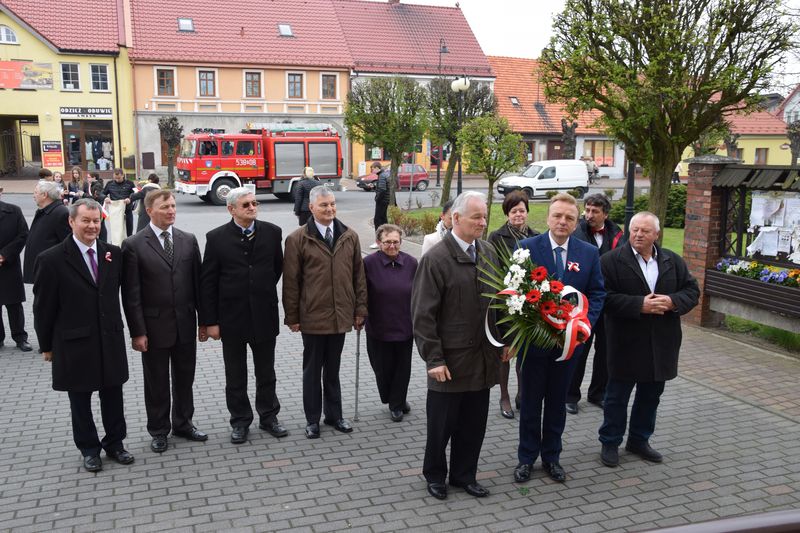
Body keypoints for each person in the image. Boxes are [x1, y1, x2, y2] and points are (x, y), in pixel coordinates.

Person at [412, 191, 506, 501]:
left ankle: (464, 475)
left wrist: (506, 340)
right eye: (476, 217)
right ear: (456, 219)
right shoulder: (435, 259)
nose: (483, 222)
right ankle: (435, 475)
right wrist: (433, 359)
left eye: (484, 216)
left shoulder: (489, 252)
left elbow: (500, 303)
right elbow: (423, 316)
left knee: (473, 424)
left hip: (481, 360)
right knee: (441, 427)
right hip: (449, 363)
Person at [33, 199, 134, 473]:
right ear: (71, 222)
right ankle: (89, 449)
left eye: (96, 221)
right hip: (74, 343)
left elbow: (125, 297)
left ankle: (115, 444)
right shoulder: (51, 259)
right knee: (80, 400)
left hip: (110, 339)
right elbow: (43, 308)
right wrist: (46, 346)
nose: (91, 226)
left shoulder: (113, 254)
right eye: (85, 221)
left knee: (113, 395)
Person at [513, 193, 606, 484]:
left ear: (576, 220)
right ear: (548, 217)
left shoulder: (588, 253)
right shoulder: (527, 248)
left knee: (556, 404)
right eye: (557, 216)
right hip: (535, 345)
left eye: (569, 217)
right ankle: (526, 458)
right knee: (530, 404)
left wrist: (583, 325)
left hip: (569, 347)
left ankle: (552, 457)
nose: (562, 222)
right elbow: (515, 291)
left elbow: (598, 293)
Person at [598, 212, 699, 468]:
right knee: (616, 397)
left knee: (650, 395)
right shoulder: (610, 261)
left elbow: (692, 291)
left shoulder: (671, 261)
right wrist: (638, 305)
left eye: (645, 231)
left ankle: (639, 440)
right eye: (635, 230)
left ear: (656, 234)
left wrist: (673, 301)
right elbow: (603, 298)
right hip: (625, 341)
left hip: (661, 342)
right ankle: (610, 442)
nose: (639, 235)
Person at [200, 188, 288, 445]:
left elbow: (276, 268)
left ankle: (269, 416)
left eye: (254, 202)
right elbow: (208, 283)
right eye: (246, 204)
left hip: (264, 315)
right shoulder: (215, 238)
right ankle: (240, 421)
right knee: (235, 375)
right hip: (231, 319)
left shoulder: (272, 233)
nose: (252, 207)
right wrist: (210, 321)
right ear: (232, 209)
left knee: (266, 372)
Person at [122, 190, 207, 454]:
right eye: (165, 206)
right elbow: (131, 294)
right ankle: (159, 430)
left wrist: (203, 322)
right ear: (149, 210)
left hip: (184, 324)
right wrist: (138, 332)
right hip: (154, 328)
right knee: (156, 382)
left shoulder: (188, 240)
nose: (171, 210)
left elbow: (198, 285)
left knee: (184, 379)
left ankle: (183, 423)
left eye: (173, 206)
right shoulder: (134, 245)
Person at [283, 186, 367, 439]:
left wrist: (360, 309)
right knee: (312, 371)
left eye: (332, 204)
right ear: (311, 208)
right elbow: (291, 282)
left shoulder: (349, 236)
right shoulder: (297, 239)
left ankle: (335, 415)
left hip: (341, 315)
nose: (329, 209)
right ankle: (312, 420)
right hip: (312, 317)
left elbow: (358, 276)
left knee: (333, 370)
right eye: (324, 205)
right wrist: (293, 317)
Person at [565, 193, 624, 415]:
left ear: (605, 214)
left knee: (606, 351)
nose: (589, 215)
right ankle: (570, 395)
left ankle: (598, 393)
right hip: (582, 303)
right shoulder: (577, 232)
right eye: (587, 210)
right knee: (578, 348)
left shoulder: (616, 234)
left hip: (607, 303)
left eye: (594, 211)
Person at [488, 190, 540, 419]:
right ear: (507, 213)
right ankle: (504, 396)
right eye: (514, 211)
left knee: (526, 352)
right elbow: (491, 270)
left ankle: (522, 393)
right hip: (505, 304)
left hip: (530, 304)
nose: (519, 215)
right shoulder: (496, 237)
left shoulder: (536, 236)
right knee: (506, 352)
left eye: (522, 210)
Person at [363, 224, 418, 422]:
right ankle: (392, 397)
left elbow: (420, 293)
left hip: (405, 325)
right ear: (378, 243)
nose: (392, 246)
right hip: (379, 326)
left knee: (403, 368)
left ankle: (397, 403)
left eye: (396, 242)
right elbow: (361, 292)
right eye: (387, 242)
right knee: (382, 368)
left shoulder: (412, 263)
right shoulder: (368, 263)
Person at [0, 186, 31, 352]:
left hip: (9, 265)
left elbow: (23, 234)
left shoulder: (13, 211)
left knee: (14, 304)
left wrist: (4, 255)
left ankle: (20, 337)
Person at [23, 180, 71, 284]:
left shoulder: (60, 213)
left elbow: (68, 245)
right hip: (43, 269)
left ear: (45, 195)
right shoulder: (44, 210)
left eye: (35, 192)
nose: (33, 195)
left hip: (51, 271)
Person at [103, 168, 136, 240]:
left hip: (127, 210)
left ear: (123, 175)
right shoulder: (110, 184)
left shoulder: (130, 183)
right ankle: (116, 245)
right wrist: (105, 198)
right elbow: (102, 193)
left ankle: (129, 246)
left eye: (119, 178)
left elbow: (135, 193)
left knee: (129, 230)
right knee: (116, 231)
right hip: (115, 212)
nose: (117, 180)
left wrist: (130, 199)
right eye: (115, 178)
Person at [370, 162, 389, 249]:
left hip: (382, 201)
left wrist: (377, 198)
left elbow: (382, 190)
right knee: (384, 221)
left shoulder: (381, 176)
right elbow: (381, 188)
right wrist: (374, 187)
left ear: (377, 168)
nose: (372, 170)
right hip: (385, 201)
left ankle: (378, 242)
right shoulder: (384, 174)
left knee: (377, 221)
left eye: (373, 168)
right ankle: (387, 239)